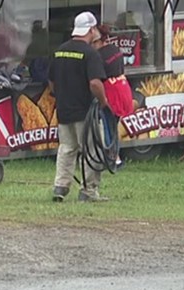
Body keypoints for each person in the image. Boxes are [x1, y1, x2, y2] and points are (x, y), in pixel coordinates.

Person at [48, 11, 109, 202]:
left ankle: (61, 187)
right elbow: (95, 83)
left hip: (64, 110)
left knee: (66, 148)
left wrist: (60, 96)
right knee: (91, 150)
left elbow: (51, 82)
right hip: (85, 112)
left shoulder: (59, 51)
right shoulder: (90, 54)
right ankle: (89, 191)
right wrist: (103, 101)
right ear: (91, 30)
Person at [92, 24, 127, 169]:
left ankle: (112, 158)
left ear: (99, 40)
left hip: (108, 93)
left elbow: (97, 78)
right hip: (122, 90)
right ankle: (115, 157)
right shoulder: (116, 51)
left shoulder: (98, 56)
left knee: (107, 125)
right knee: (113, 125)